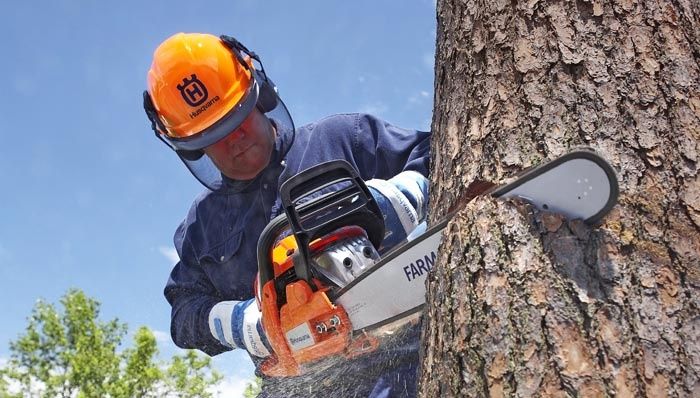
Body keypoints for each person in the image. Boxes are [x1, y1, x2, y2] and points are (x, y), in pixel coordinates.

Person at [143, 32, 431, 397]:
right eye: (213, 136)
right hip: (293, 387)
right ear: (192, 147)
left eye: (238, 119)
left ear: (259, 96)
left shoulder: (341, 139)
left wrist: (398, 201)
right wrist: (244, 324)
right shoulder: (202, 225)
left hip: (400, 362)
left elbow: (442, 157)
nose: (234, 140)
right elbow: (184, 314)